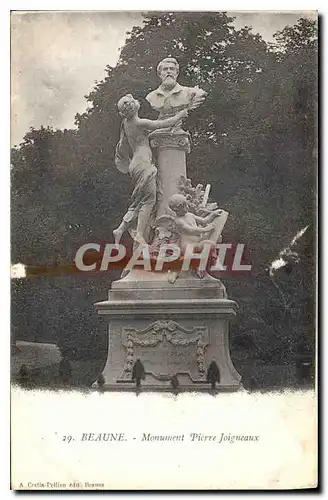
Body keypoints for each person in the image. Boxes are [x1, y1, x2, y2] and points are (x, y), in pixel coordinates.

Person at [113, 94, 188, 245]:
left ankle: (121, 228)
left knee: (140, 199)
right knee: (149, 200)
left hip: (135, 164)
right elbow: (167, 123)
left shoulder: (126, 124)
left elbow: (131, 142)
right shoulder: (140, 123)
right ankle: (139, 234)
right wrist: (182, 113)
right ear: (134, 107)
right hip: (143, 165)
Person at [146, 58, 206, 128]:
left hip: (180, 131)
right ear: (160, 74)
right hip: (159, 131)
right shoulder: (151, 97)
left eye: (172, 69)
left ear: (177, 73)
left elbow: (201, 94)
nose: (169, 72)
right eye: (165, 69)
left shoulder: (189, 93)